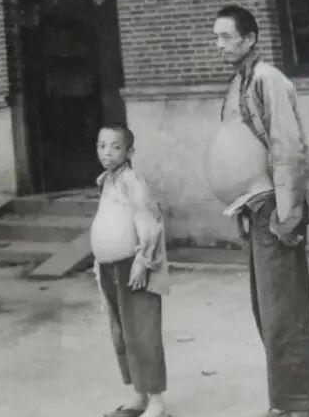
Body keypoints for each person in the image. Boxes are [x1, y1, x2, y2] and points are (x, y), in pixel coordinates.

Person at [206, 4, 309, 417]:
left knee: (285, 309)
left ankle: (297, 404)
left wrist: (287, 215)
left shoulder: (267, 79)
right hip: (254, 208)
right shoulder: (239, 81)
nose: (219, 44)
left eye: (226, 36)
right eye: (216, 37)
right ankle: (282, 400)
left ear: (250, 37)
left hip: (276, 208)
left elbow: (287, 148)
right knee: (267, 308)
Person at [90, 125, 170, 417]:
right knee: (122, 332)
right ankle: (139, 395)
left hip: (132, 267)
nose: (107, 153)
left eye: (115, 147)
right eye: (101, 146)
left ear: (130, 152)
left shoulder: (132, 180)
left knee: (142, 332)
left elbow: (148, 221)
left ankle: (157, 401)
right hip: (109, 267)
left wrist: (142, 261)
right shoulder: (107, 181)